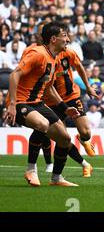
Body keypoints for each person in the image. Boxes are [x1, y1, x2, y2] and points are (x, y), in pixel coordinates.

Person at [5, 22, 80, 186]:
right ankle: (31, 170)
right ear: (53, 39)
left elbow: (49, 89)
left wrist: (65, 109)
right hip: (20, 102)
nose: (67, 39)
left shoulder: (54, 59)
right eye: (64, 35)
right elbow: (14, 75)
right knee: (42, 124)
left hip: (38, 103)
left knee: (65, 138)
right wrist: (11, 104)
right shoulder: (37, 53)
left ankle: (56, 178)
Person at [30, 21, 97, 178]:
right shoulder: (36, 54)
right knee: (63, 138)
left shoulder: (67, 52)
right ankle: (82, 165)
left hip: (71, 96)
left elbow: (80, 67)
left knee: (86, 132)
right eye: (40, 34)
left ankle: (83, 140)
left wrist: (88, 86)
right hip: (52, 101)